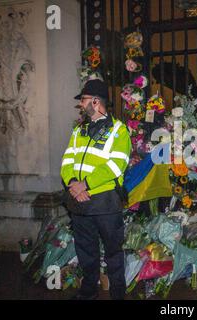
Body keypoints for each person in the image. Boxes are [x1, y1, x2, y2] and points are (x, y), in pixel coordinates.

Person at [60, 79, 131, 300]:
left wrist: (86, 184)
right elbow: (67, 161)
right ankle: (88, 293)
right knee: (86, 253)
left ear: (96, 101)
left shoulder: (119, 130)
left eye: (83, 100)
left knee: (113, 253)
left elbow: (115, 164)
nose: (81, 104)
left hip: (105, 202)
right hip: (79, 201)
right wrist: (74, 184)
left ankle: (118, 295)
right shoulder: (79, 130)